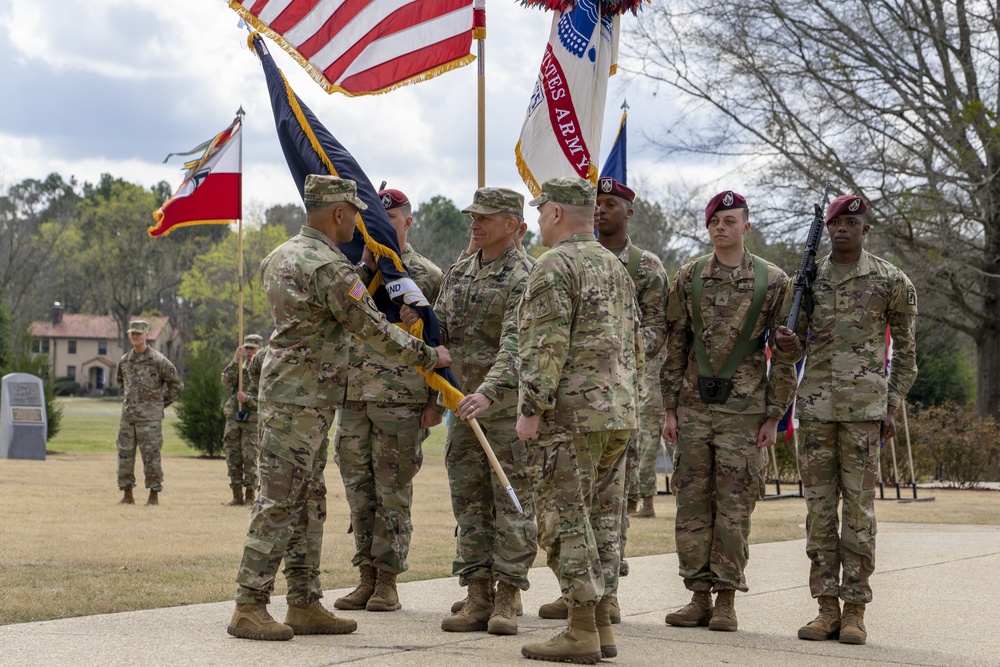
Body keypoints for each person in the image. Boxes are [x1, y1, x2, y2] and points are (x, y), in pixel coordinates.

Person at [227, 175, 451, 642]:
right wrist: (430, 356)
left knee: (308, 501)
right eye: (354, 213)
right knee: (281, 499)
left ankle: (304, 601)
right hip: (304, 399)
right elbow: (373, 328)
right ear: (337, 214)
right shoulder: (330, 268)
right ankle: (249, 604)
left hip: (299, 395)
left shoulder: (279, 255)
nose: (359, 222)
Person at [774, 194, 917, 646]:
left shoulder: (891, 281)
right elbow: (790, 344)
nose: (841, 229)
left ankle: (855, 610)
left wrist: (891, 404)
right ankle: (825, 609)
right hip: (815, 409)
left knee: (858, 514)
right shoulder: (807, 281)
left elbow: (908, 353)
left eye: (850, 223)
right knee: (818, 512)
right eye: (835, 223)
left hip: (863, 413)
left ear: (865, 229)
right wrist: (785, 342)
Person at [517, 177, 642, 663]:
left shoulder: (554, 265)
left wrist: (531, 410)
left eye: (540, 210)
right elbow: (635, 344)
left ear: (553, 214)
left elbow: (545, 346)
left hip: (570, 417)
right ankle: (601, 626)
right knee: (601, 520)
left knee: (563, 519)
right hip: (616, 413)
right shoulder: (613, 265)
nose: (537, 221)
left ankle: (581, 628)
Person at [661, 190, 796, 633]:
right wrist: (669, 410)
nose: (722, 227)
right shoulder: (690, 275)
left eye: (730, 220)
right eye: (715, 221)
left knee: (735, 507)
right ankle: (698, 597)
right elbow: (676, 343)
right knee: (692, 505)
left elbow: (785, 353)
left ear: (746, 226)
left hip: (745, 412)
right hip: (694, 407)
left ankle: (726, 601)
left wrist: (775, 415)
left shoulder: (773, 282)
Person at [332, 188, 444, 614]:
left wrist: (436, 401)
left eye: (389, 217)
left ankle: (389, 582)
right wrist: (363, 267)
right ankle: (365, 576)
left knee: (392, 493)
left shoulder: (425, 276)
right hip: (354, 398)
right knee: (359, 493)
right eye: (372, 218)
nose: (378, 225)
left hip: (401, 400)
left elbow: (439, 341)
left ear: (407, 222)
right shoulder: (350, 273)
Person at [431, 187, 536, 636]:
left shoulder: (525, 276)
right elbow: (439, 328)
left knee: (511, 503)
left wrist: (490, 392)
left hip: (505, 409)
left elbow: (518, 342)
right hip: (463, 407)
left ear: (511, 224)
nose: (475, 223)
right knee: (469, 501)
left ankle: (508, 596)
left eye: (485, 217)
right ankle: (476, 593)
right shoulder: (459, 271)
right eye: (473, 216)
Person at [115, 319, 182, 506]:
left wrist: (159, 404)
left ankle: (153, 495)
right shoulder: (124, 361)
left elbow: (176, 385)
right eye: (132, 333)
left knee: (151, 457)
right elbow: (121, 384)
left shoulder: (158, 360)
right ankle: (127, 494)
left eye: (139, 333)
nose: (135, 336)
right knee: (125, 456)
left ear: (146, 335)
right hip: (128, 418)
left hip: (150, 420)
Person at [221, 334, 265, 506]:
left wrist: (248, 399)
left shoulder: (264, 369)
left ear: (260, 349)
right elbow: (225, 381)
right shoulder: (239, 366)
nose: (249, 351)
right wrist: (234, 360)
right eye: (247, 348)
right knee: (233, 455)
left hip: (252, 418)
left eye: (252, 348)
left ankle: (250, 495)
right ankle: (236, 494)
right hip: (234, 416)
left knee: (250, 456)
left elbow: (267, 396)